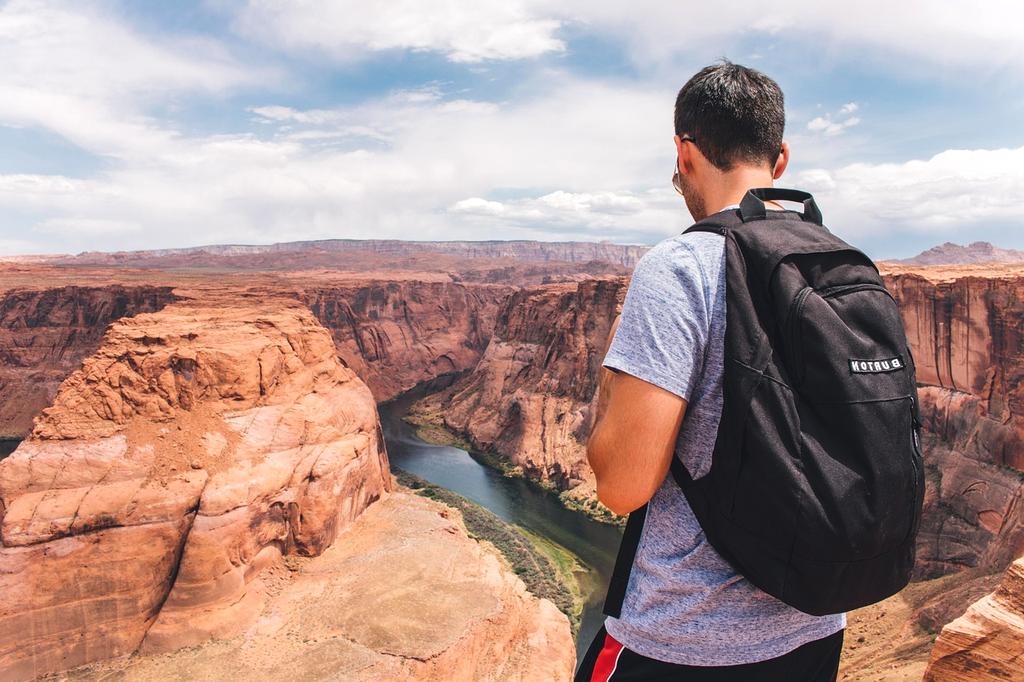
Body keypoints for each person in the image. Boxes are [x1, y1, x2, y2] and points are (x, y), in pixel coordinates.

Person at [577, 61, 846, 681]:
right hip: (815, 629)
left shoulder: (680, 267)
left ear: (684, 151)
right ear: (780, 160)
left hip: (683, 643)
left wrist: (612, 383)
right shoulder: (837, 268)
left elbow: (622, 487)